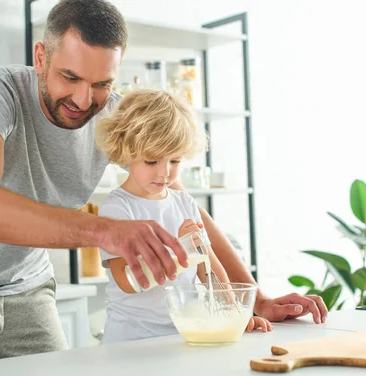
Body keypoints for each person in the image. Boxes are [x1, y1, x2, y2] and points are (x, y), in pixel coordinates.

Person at [0, 0, 326, 371]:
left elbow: (182, 202)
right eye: (70, 77)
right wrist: (105, 230)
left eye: (102, 84)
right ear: (41, 56)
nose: (84, 100)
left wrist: (257, 299)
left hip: (27, 290)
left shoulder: (117, 117)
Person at [95, 90, 272, 342]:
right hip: (130, 339)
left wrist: (234, 314)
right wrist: (182, 248)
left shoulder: (184, 202)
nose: (164, 173)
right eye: (152, 161)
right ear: (126, 151)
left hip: (181, 333)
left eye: (175, 160)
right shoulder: (118, 208)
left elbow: (210, 268)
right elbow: (128, 281)